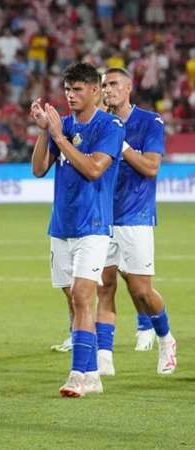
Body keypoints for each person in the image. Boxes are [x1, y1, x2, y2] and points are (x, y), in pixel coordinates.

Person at [30, 62, 123, 397]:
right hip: (62, 226)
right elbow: (39, 168)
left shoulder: (109, 125)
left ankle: (77, 375)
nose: (70, 96)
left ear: (95, 91)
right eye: (67, 89)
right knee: (74, 301)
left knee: (85, 295)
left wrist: (58, 137)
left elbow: (95, 169)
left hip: (94, 226)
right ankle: (93, 373)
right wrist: (44, 131)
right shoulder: (63, 124)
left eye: (77, 89)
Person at [96, 67, 176, 375]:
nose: (108, 90)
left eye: (114, 84)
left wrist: (123, 146)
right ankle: (103, 360)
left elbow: (151, 167)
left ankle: (166, 338)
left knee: (142, 290)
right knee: (105, 287)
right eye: (104, 85)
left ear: (128, 88)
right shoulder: (100, 123)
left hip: (136, 217)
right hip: (102, 217)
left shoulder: (149, 122)